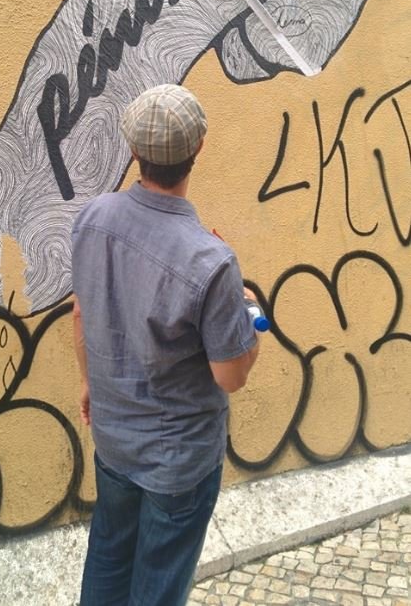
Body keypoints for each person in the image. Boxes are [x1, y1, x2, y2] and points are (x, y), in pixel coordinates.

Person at [71, 83, 260, 606]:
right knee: (156, 589)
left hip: (113, 440)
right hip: (177, 465)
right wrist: (246, 311)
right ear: (199, 147)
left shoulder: (92, 219)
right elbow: (231, 376)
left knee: (107, 560)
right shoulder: (212, 261)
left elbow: (82, 312)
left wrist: (89, 383)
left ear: (134, 150)